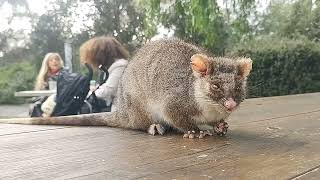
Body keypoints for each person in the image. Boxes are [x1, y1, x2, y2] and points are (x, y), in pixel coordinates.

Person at [79, 36, 129, 111]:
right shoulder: (108, 68)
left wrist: (90, 94)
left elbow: (108, 90)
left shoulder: (120, 65)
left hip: (124, 110)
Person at [29, 53, 64, 117]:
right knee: (35, 106)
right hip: (45, 100)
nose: (54, 61)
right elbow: (40, 93)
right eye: (51, 60)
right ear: (47, 63)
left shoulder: (65, 74)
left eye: (56, 59)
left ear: (60, 61)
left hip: (60, 100)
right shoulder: (44, 76)